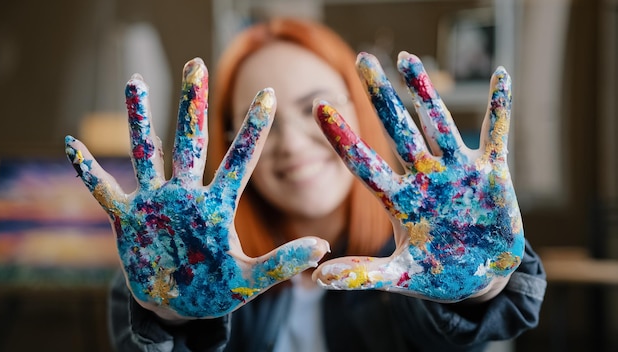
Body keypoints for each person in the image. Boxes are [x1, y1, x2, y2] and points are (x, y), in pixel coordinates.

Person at [65, 17, 546, 351]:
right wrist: (175, 312)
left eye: (316, 109)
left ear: (365, 110)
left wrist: (480, 284)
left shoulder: (413, 262)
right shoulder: (180, 261)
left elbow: (471, 335)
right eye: (261, 123)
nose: (292, 143)